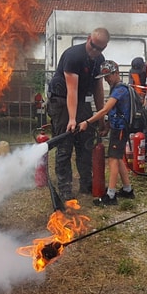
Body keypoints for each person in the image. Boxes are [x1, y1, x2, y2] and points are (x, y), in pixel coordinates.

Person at [47, 27, 109, 201]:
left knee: (85, 144)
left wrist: (101, 118)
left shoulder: (99, 60)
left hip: (81, 102)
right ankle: (65, 187)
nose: (96, 51)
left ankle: (86, 183)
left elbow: (98, 89)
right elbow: (71, 90)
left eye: (100, 49)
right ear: (88, 38)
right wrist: (72, 119)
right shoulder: (74, 56)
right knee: (65, 145)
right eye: (94, 46)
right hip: (60, 101)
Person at [79, 60, 135, 206]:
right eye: (104, 77)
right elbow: (116, 112)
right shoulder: (115, 88)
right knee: (117, 158)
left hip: (121, 129)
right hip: (117, 128)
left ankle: (110, 195)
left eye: (108, 76)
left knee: (113, 160)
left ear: (116, 73)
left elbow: (105, 110)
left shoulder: (120, 90)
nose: (106, 80)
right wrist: (107, 127)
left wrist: (88, 122)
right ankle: (128, 189)